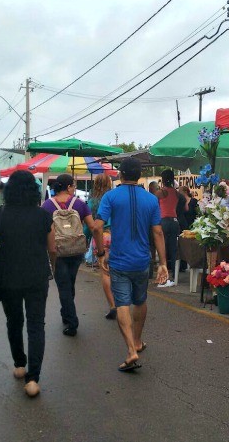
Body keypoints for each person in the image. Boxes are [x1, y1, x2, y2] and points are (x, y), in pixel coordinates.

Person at [0, 170, 56, 398]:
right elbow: (52, 248)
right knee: (36, 325)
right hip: (37, 276)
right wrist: (50, 267)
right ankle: (33, 379)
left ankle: (19, 364)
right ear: (34, 191)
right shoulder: (43, 215)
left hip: (9, 276)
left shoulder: (0, 214)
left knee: (14, 321)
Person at [93, 157, 167, 372]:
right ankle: (137, 341)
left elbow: (97, 227)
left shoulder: (110, 196)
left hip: (119, 259)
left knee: (122, 303)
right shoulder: (151, 200)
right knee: (140, 300)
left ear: (121, 174)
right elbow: (158, 231)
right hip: (142, 259)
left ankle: (130, 350)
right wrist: (163, 263)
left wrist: (100, 253)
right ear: (140, 176)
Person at [41, 174, 95, 337]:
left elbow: (43, 230)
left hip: (57, 250)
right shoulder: (79, 204)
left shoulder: (47, 206)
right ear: (69, 187)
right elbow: (92, 226)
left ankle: (72, 322)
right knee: (69, 283)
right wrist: (98, 248)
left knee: (63, 285)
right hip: (76, 249)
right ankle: (67, 313)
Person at [87, 173, 116, 320]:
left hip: (100, 237)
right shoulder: (114, 198)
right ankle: (121, 302)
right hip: (115, 236)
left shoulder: (92, 202)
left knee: (105, 273)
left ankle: (112, 305)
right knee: (117, 271)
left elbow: (89, 226)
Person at [155, 169, 181, 288]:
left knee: (162, 250)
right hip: (175, 222)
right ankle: (175, 276)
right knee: (174, 249)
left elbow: (153, 205)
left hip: (164, 221)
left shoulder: (160, 192)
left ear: (163, 179)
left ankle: (163, 277)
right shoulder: (176, 193)